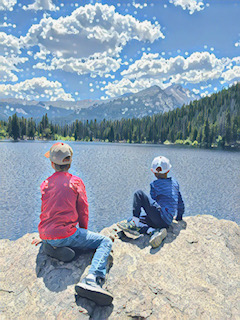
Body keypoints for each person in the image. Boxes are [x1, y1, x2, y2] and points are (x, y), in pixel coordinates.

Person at [38, 142, 113, 306]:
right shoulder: (76, 182)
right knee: (105, 241)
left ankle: (51, 245)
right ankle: (92, 278)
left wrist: (44, 234)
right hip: (66, 234)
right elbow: (83, 210)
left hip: (46, 233)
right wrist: (84, 233)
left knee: (59, 237)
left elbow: (45, 211)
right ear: (70, 163)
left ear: (52, 163)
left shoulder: (45, 183)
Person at [117, 156, 184, 248]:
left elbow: (152, 204)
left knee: (139, 194)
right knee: (129, 220)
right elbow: (180, 203)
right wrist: (179, 217)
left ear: (153, 172)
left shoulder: (154, 185)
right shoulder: (175, 184)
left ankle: (140, 225)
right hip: (167, 221)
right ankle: (152, 231)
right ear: (168, 170)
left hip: (160, 217)